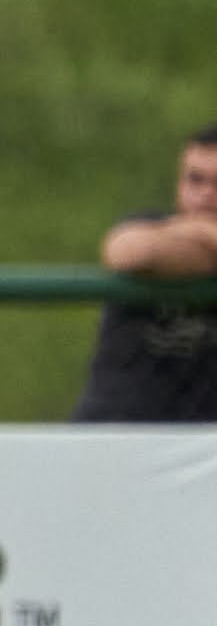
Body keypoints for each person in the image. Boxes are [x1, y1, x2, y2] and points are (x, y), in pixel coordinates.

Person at [74, 127, 217, 422]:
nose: (206, 195)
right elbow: (130, 252)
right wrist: (205, 232)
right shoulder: (151, 225)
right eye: (195, 179)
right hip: (116, 433)